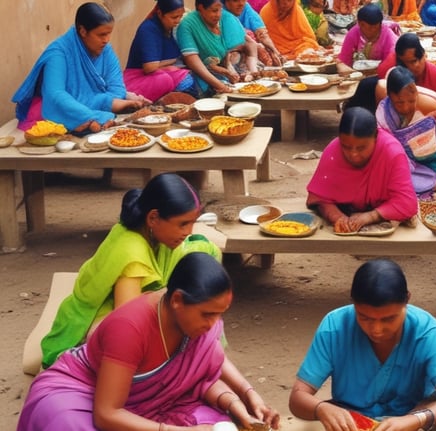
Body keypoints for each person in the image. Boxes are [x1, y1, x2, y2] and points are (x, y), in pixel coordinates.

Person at [20, 253, 282, 430]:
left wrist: (248, 399)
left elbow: (205, 370)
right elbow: (106, 414)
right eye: (208, 314)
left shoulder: (192, 322)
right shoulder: (130, 327)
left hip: (157, 403)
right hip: (82, 392)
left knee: (220, 424)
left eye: (220, 314)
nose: (214, 324)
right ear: (178, 300)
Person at [39, 173, 222, 370]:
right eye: (183, 224)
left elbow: (196, 251)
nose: (189, 231)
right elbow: (126, 323)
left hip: (122, 302)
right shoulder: (132, 255)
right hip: (92, 321)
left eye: (193, 222)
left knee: (205, 254)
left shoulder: (149, 231)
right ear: (153, 218)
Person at [288, 258, 436, 431]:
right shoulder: (334, 326)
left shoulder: (428, 332)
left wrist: (414, 419)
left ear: (407, 300)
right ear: (353, 304)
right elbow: (297, 398)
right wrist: (322, 409)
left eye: (389, 319)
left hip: (412, 418)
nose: (376, 329)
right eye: (364, 317)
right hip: (353, 421)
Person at [12, 2, 150, 134]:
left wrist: (105, 102)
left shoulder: (105, 49)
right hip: (60, 108)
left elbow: (117, 88)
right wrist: (100, 110)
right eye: (101, 34)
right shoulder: (59, 52)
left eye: (109, 34)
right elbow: (55, 95)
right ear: (83, 31)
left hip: (82, 105)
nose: (107, 40)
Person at [307, 107, 418, 233]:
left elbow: (407, 202)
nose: (353, 154)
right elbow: (320, 197)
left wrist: (370, 216)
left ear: (376, 138)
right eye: (346, 146)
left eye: (361, 148)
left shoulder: (392, 153)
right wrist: (338, 218)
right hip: (346, 209)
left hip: (382, 208)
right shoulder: (333, 151)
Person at [375, 33, 436, 118]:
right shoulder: (391, 69)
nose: (417, 65)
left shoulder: (435, 74)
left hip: (431, 116)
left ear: (424, 55)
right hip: (399, 117)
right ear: (400, 61)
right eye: (411, 62)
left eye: (418, 59)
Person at [124, 0, 195, 103]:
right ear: (160, 14)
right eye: (174, 17)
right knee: (181, 82)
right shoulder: (148, 29)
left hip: (159, 72)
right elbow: (149, 67)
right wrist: (169, 66)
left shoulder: (169, 27)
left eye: (180, 16)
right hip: (138, 76)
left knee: (193, 80)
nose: (178, 21)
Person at [176, 0, 250, 96]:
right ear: (201, 8)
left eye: (220, 9)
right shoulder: (187, 26)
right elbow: (192, 60)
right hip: (202, 74)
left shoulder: (224, 18)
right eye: (214, 10)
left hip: (223, 70)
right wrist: (219, 85)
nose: (218, 15)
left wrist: (230, 68)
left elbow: (231, 49)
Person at [337, 4, 399, 74]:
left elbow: (390, 65)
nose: (372, 31)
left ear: (380, 24)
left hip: (384, 70)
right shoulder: (354, 32)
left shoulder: (389, 37)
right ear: (360, 24)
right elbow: (344, 59)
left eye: (375, 27)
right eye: (369, 27)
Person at [224, 0, 284, 67]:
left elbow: (262, 33)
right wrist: (257, 47)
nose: (241, 4)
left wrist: (274, 51)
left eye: (243, 0)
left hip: (250, 48)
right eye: (236, 0)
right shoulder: (220, 13)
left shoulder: (245, 7)